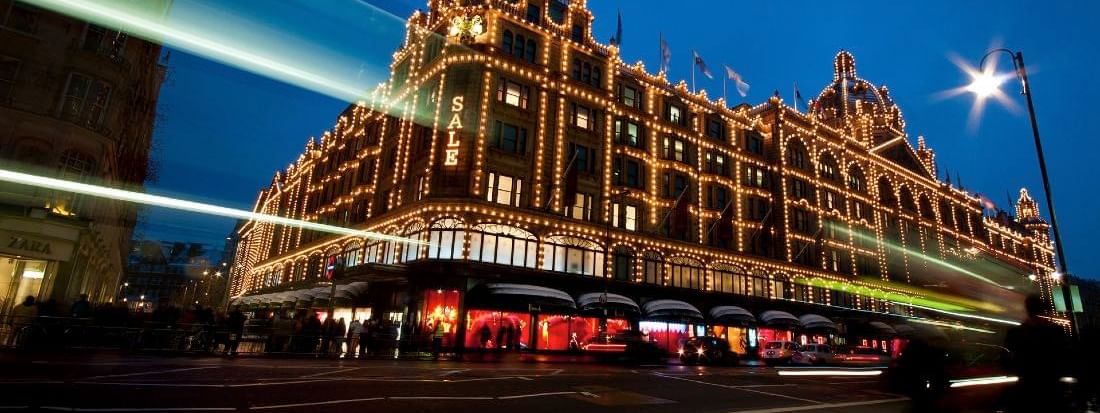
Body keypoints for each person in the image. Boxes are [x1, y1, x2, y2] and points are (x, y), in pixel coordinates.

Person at [1004, 294, 1070, 413]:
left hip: (1028, 388)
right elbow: (1065, 359)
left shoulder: (1015, 333)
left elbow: (1008, 362)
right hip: (1052, 388)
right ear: (1043, 309)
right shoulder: (1056, 331)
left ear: (1027, 309)